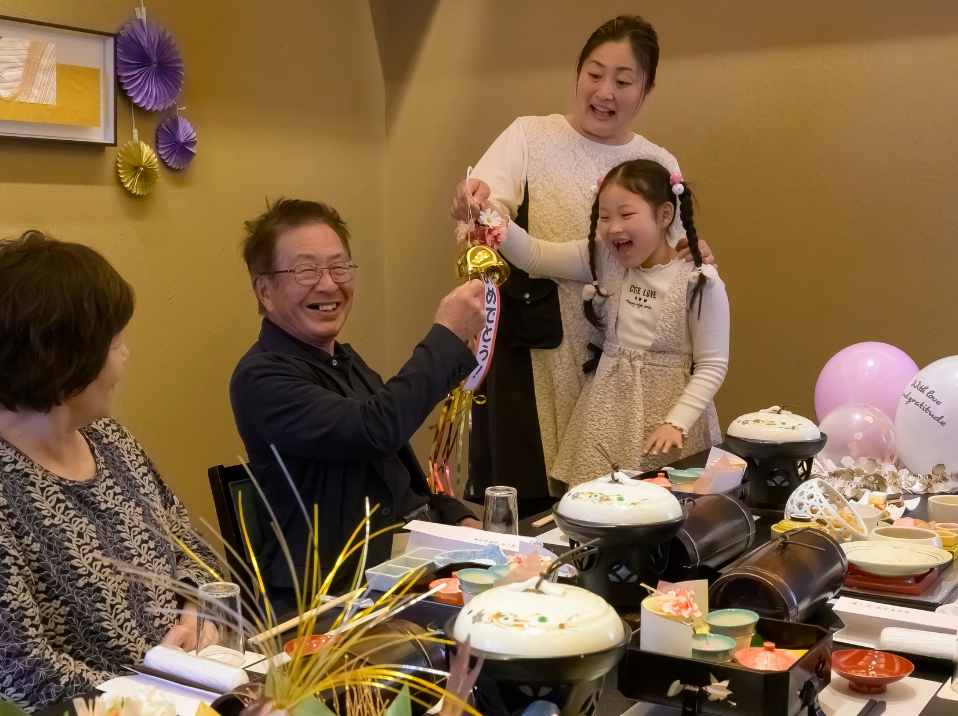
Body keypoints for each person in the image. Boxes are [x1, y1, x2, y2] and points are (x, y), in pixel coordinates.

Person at [0, 231, 220, 711]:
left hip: (184, 702)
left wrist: (196, 615)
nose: (125, 355)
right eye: (113, 341)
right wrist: (154, 686)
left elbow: (191, 550)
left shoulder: (110, 439)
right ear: (61, 358)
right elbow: (11, 679)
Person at [451, 15, 712, 504]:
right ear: (577, 73)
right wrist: (478, 205)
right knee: (531, 494)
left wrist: (693, 257)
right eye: (594, 74)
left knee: (615, 498)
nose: (605, 91)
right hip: (535, 347)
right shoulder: (530, 135)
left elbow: (672, 260)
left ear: (646, 90)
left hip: (622, 361)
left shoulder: (657, 162)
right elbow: (496, 217)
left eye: (624, 81)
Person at [230, 199, 483, 610]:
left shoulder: (343, 361)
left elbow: (395, 475)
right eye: (306, 270)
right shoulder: (261, 377)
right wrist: (447, 335)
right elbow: (374, 430)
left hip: (409, 567)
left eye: (339, 267)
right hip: (335, 598)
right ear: (264, 290)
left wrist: (457, 518)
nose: (328, 285)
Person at [498, 159, 728, 484]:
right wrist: (491, 220)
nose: (613, 227)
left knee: (667, 501)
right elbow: (535, 256)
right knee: (598, 498)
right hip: (607, 413)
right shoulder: (604, 258)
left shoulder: (700, 281)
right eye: (605, 217)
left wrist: (676, 422)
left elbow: (713, 364)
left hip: (671, 418)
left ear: (665, 214)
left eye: (626, 214)